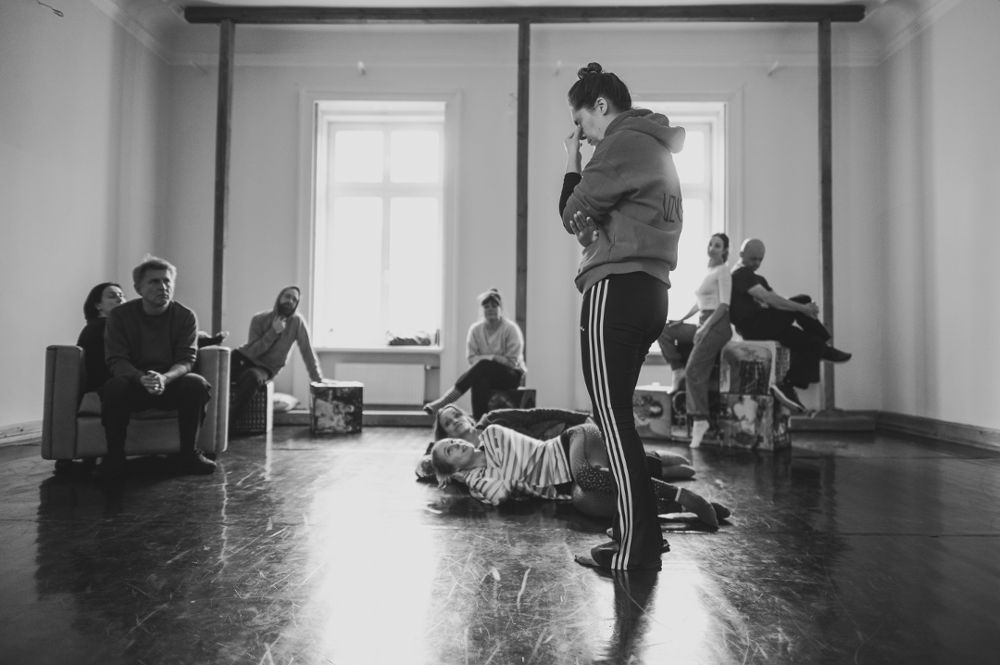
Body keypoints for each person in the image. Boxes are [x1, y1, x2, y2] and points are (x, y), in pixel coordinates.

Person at [559, 62, 686, 571]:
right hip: (652, 290)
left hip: (615, 289)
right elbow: (594, 220)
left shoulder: (620, 142)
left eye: (581, 123)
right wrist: (591, 225)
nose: (584, 136)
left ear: (601, 106)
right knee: (618, 423)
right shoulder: (653, 145)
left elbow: (570, 212)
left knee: (610, 421)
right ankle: (636, 533)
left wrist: (571, 160)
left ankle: (637, 550)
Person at [429, 422, 729, 530]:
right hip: (567, 486)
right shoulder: (477, 481)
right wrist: (467, 478)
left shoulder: (493, 434)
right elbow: (500, 494)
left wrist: (485, 475)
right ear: (454, 470)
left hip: (573, 442)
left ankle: (684, 495)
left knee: (588, 476)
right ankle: (679, 508)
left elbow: (509, 480)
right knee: (592, 504)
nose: (456, 443)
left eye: (453, 441)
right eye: (450, 451)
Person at [98, 256, 217, 480]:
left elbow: (186, 360)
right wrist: (140, 378)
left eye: (167, 281)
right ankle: (114, 457)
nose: (162, 286)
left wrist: (164, 378)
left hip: (170, 385)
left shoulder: (185, 316)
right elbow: (116, 359)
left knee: (197, 385)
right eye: (154, 281)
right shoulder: (120, 316)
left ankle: (188, 454)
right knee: (113, 387)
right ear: (138, 288)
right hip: (135, 384)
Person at [730, 238, 851, 412]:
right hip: (753, 326)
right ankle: (826, 346)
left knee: (811, 342)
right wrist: (804, 308)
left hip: (768, 325)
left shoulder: (759, 278)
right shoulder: (740, 274)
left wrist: (802, 309)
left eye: (760, 260)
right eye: (753, 259)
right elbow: (769, 299)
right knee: (802, 300)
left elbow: (779, 300)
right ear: (741, 254)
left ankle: (789, 382)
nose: (756, 263)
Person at [424, 404, 696, 481]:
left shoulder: (492, 421)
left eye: (456, 415)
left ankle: (662, 466)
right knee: (612, 471)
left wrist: (580, 417)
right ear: (445, 436)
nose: (455, 421)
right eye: (448, 423)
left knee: (619, 461)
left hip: (562, 444)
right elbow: (430, 465)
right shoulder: (465, 465)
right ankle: (663, 470)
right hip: (554, 473)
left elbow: (536, 414)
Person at [423, 288, 526, 419]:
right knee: (479, 380)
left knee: (482, 365)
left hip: (511, 375)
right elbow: (471, 359)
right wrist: (494, 359)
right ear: (481, 310)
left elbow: (511, 362)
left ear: (501, 308)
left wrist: (489, 358)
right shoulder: (475, 330)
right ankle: (480, 423)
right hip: (486, 375)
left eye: (494, 306)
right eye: (486, 307)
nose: (490, 309)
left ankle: (445, 401)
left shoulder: (510, 329)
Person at [229, 286, 323, 424]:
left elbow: (307, 352)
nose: (290, 301)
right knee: (215, 368)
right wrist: (273, 332)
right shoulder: (259, 319)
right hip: (242, 357)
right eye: (287, 296)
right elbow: (253, 352)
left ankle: (228, 425)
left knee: (252, 377)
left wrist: (318, 381)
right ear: (279, 297)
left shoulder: (297, 322)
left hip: (264, 368)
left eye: (294, 299)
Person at [676, 233, 734, 448]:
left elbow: (724, 305)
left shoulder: (723, 271)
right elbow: (699, 302)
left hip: (717, 324)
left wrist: (705, 328)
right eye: (710, 244)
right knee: (665, 330)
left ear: (724, 250)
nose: (712, 248)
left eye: (717, 245)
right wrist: (681, 319)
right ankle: (675, 370)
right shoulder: (708, 271)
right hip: (703, 320)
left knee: (693, 370)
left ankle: (701, 420)